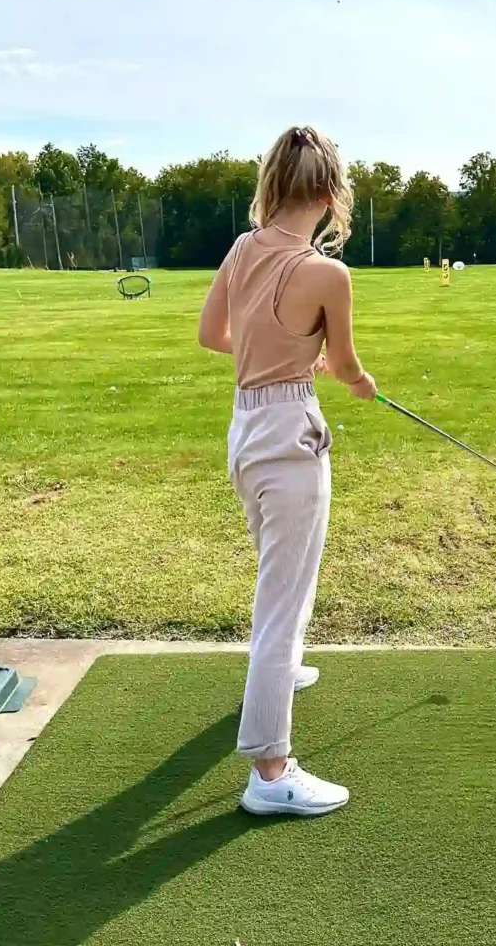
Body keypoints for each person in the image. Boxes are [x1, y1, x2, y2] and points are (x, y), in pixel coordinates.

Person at [198, 125, 376, 817]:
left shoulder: (243, 248)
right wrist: (348, 379)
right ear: (332, 194)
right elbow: (351, 367)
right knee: (282, 600)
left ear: (274, 184)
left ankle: (283, 670)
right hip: (290, 435)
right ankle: (271, 774)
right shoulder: (329, 273)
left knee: (279, 575)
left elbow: (214, 336)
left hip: (245, 428)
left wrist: (278, 355)